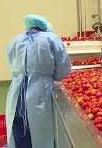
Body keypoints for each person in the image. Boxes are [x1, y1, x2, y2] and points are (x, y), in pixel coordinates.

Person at [6, 15, 71, 148]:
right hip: (40, 89)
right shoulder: (51, 39)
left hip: (17, 89)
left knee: (17, 123)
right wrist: (53, 76)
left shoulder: (14, 40)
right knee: (40, 128)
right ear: (44, 27)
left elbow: (11, 63)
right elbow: (63, 68)